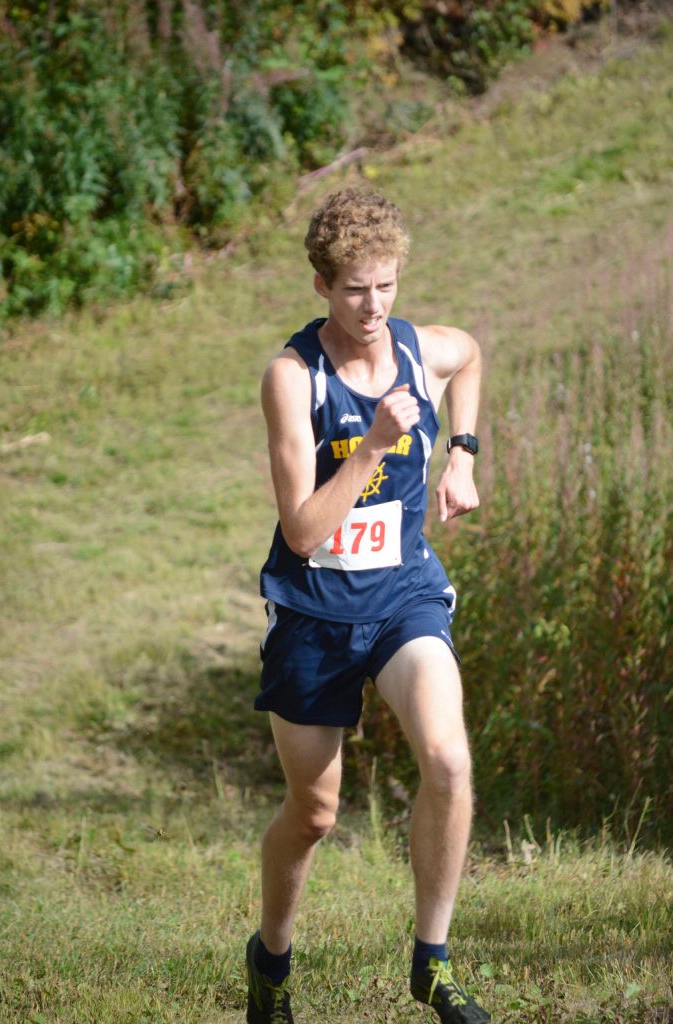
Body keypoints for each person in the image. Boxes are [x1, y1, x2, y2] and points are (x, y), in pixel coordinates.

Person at [246, 186, 489, 1024]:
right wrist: (375, 447)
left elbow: (471, 354)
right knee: (314, 813)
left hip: (401, 597)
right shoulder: (292, 379)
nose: (373, 306)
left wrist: (461, 455)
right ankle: (271, 958)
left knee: (447, 761)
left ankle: (432, 961)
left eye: (385, 285)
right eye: (354, 289)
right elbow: (303, 531)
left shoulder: (420, 350)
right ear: (322, 286)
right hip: (313, 611)